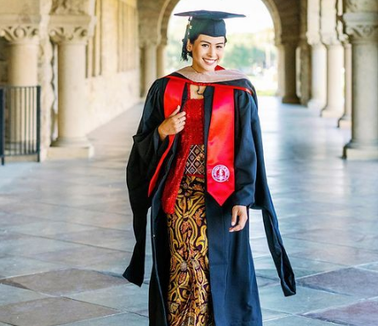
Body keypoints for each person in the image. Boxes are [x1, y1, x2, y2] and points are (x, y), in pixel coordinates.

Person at [123, 10, 296, 326]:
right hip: (177, 195)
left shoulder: (238, 89)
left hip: (221, 196)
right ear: (189, 44)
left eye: (219, 46)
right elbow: (142, 145)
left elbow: (248, 149)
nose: (212, 54)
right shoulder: (166, 87)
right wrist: (163, 130)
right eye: (205, 45)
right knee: (183, 262)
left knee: (215, 265)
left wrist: (243, 198)